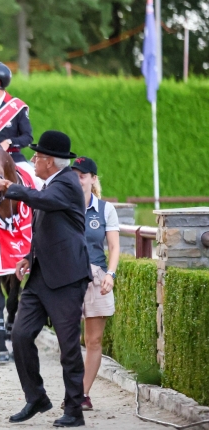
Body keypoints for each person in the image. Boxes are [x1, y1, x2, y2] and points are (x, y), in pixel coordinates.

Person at [0, 130, 92, 428]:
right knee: (19, 335)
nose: (33, 159)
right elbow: (46, 227)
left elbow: (40, 200)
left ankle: (74, 409)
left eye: (37, 156)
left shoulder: (67, 183)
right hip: (40, 276)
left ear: (51, 161)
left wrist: (8, 185)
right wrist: (27, 258)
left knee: (68, 346)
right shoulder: (53, 183)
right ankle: (36, 397)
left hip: (67, 278)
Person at [72, 156, 119, 411]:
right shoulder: (64, 205)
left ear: (92, 178)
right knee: (68, 338)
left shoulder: (105, 210)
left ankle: (82, 393)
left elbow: (113, 246)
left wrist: (110, 274)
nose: (78, 179)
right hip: (68, 277)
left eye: (82, 175)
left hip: (97, 276)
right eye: (74, 175)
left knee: (94, 340)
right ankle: (72, 389)